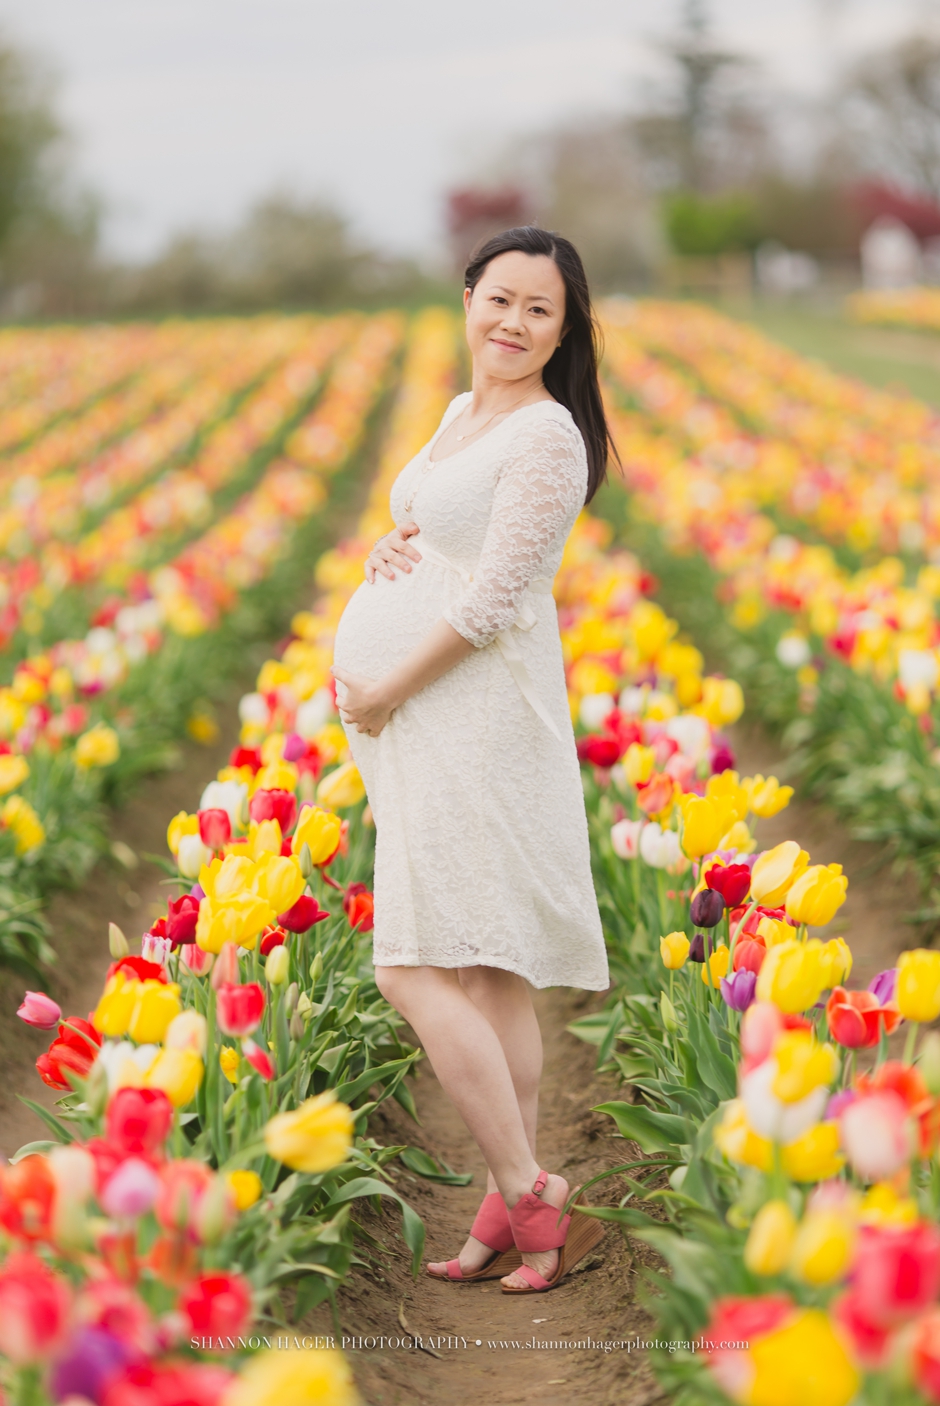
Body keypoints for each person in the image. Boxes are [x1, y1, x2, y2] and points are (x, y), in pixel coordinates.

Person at [331, 226, 612, 1295]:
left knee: (407, 960)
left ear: (563, 329)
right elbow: (439, 537)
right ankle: (512, 1212)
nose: (514, 322)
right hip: (419, 717)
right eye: (500, 298)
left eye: (539, 310)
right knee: (482, 963)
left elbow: (497, 598)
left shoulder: (547, 437)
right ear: (466, 296)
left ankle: (534, 1189)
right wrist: (384, 552)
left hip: (467, 713)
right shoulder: (459, 415)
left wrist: (390, 684)